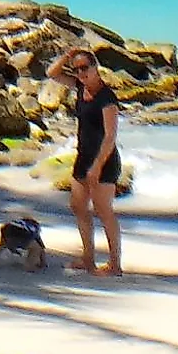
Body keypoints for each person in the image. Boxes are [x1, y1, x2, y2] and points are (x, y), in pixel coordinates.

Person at [50, 46, 124, 275]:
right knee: (78, 207)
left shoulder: (106, 97)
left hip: (104, 159)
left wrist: (97, 166)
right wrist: (66, 56)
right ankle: (88, 259)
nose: (81, 73)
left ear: (95, 68)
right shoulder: (80, 88)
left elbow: (110, 136)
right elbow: (52, 73)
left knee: (103, 210)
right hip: (83, 156)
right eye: (77, 69)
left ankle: (114, 265)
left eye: (85, 68)